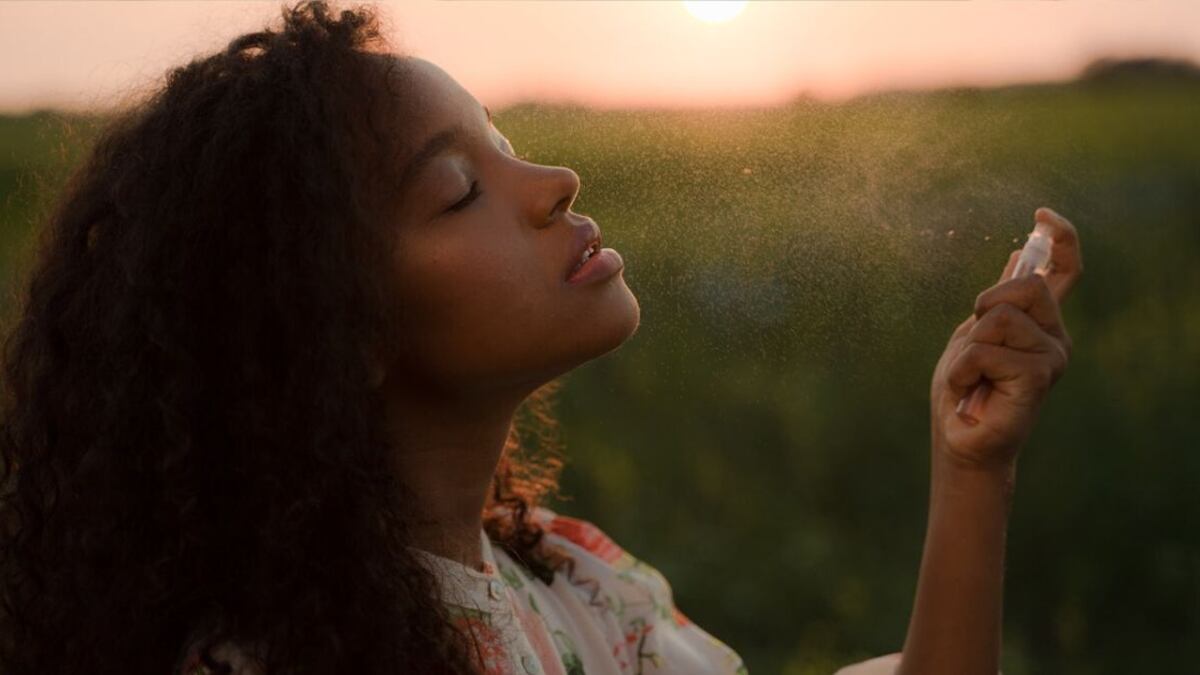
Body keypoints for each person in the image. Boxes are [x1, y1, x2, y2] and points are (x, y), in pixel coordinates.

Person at [0, 2, 1082, 675]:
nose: (557, 182)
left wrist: (971, 469)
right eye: (462, 188)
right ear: (334, 330)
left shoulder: (574, 591)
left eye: (508, 143)